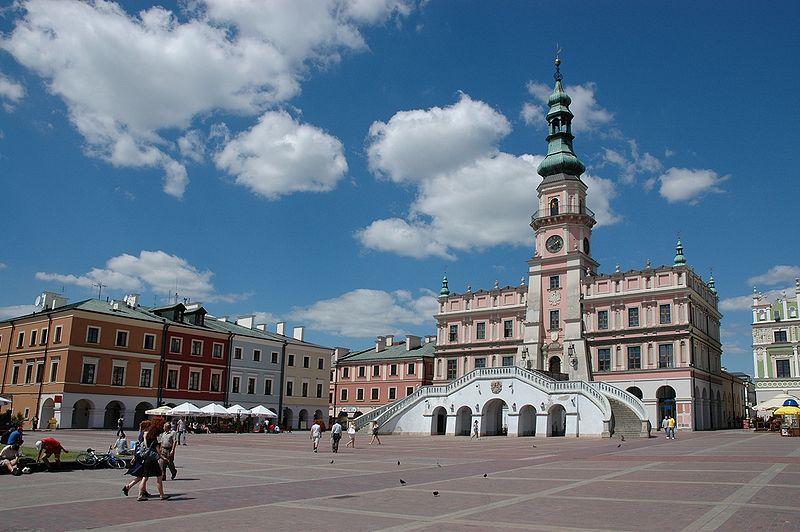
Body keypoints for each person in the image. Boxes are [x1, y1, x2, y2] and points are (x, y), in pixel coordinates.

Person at [123, 419, 170, 501]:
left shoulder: (144, 435)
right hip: (151, 459)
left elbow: (139, 445)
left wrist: (134, 456)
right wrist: (164, 458)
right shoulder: (152, 438)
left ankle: (140, 493)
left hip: (143, 457)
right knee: (156, 476)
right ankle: (160, 495)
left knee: (144, 477)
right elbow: (158, 452)